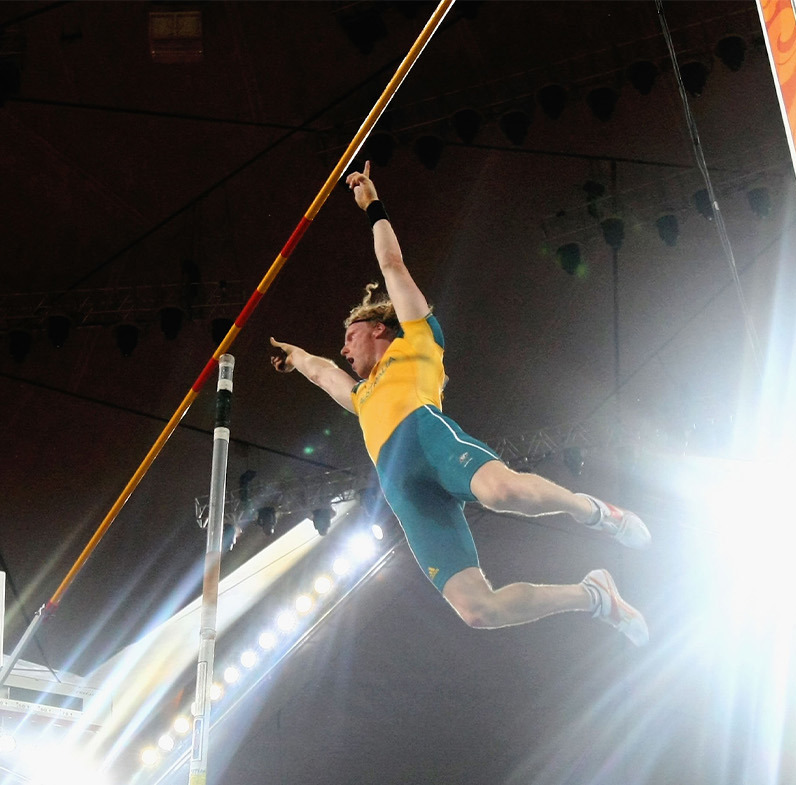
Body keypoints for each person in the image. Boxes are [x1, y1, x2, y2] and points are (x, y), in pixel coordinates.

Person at [269, 164, 650, 646]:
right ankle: (595, 597)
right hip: (403, 490)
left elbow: (392, 266)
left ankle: (594, 512)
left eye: (350, 337)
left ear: (378, 328)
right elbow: (323, 372)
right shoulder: (361, 397)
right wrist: (294, 355)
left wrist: (372, 206)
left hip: (429, 440)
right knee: (477, 610)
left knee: (503, 493)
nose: (344, 350)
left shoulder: (418, 341)